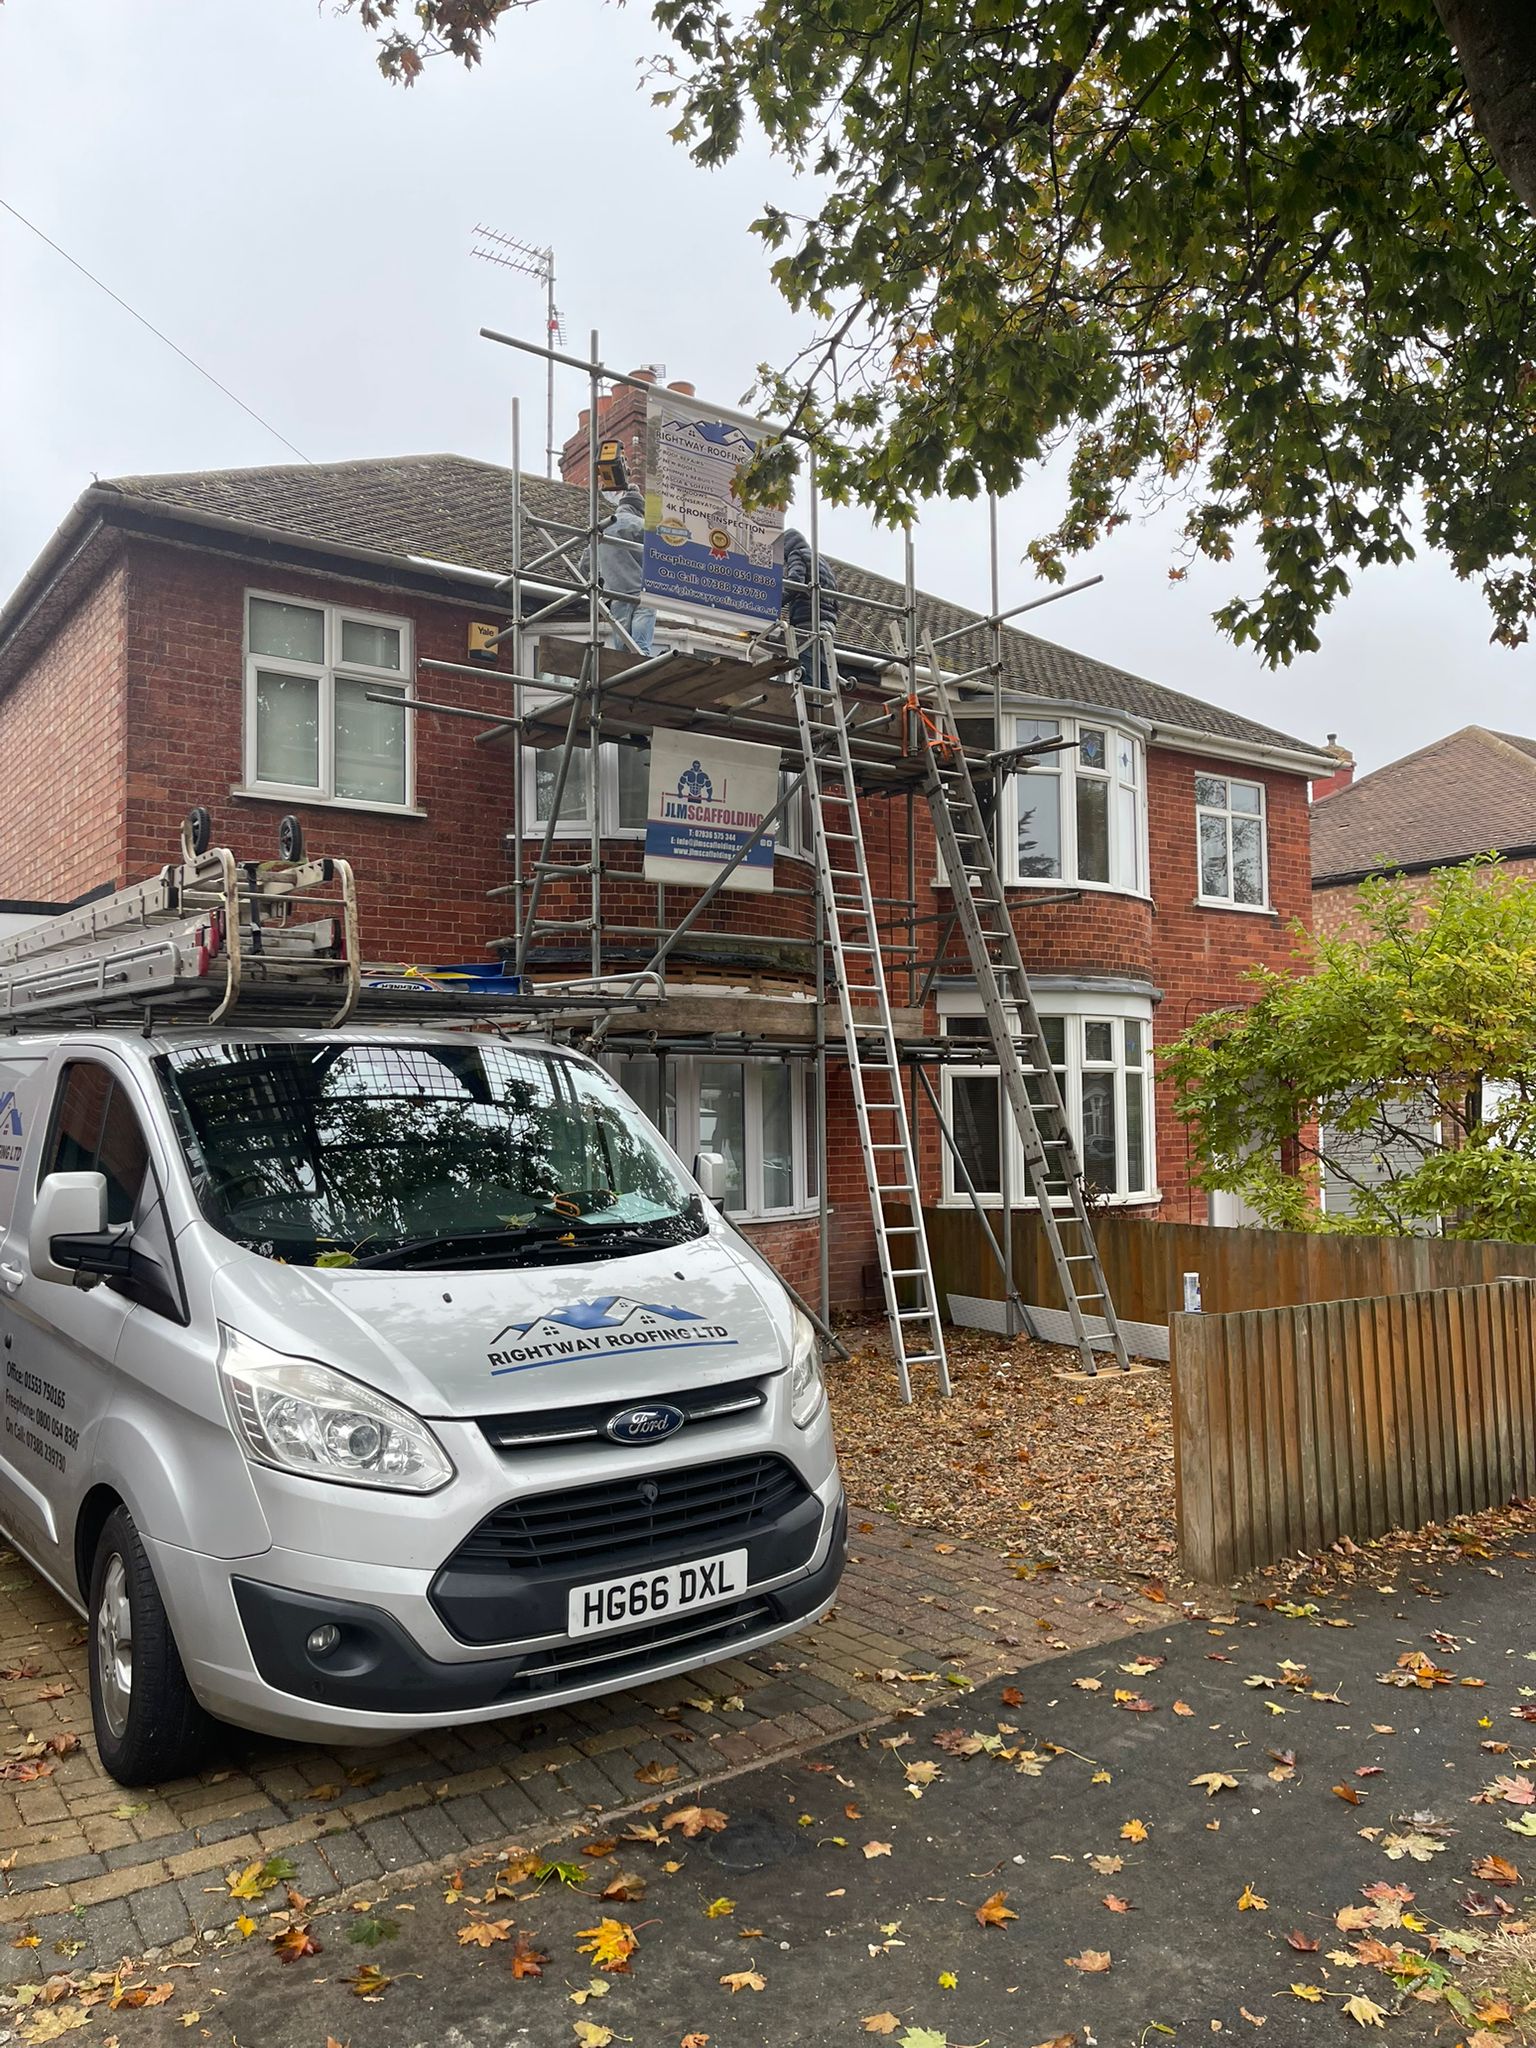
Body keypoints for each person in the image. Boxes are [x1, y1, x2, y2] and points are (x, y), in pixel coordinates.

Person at [584, 489, 656, 655]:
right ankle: (641, 664)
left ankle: (626, 669)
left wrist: (592, 582)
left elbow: (585, 563)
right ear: (639, 509)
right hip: (642, 590)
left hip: (615, 593)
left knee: (623, 648)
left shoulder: (600, 529)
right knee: (640, 646)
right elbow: (660, 556)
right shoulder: (642, 525)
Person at [781, 528, 841, 690]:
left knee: (806, 669)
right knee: (823, 670)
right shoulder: (821, 562)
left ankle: (808, 703)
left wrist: (773, 604)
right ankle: (825, 709)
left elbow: (795, 583)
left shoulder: (798, 555)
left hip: (809, 621)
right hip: (828, 624)